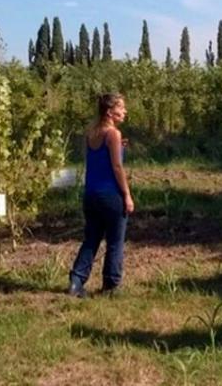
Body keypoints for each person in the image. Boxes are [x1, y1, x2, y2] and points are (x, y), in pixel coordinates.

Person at [69, 93, 134, 298]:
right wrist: (127, 195)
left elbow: (99, 159)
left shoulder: (91, 133)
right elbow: (117, 167)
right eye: (121, 108)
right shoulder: (113, 134)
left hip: (91, 195)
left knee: (91, 239)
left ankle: (76, 280)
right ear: (109, 112)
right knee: (115, 241)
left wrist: (118, 147)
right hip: (110, 195)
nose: (125, 111)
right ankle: (111, 284)